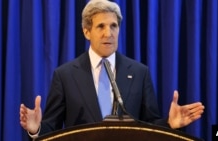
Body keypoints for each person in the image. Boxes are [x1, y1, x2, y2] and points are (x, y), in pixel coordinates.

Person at [19, 0, 205, 139]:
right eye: (101, 26)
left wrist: (169, 124)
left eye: (113, 26)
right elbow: (52, 130)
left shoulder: (140, 72)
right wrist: (35, 129)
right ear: (86, 31)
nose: (108, 33)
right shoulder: (65, 75)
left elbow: (149, 126)